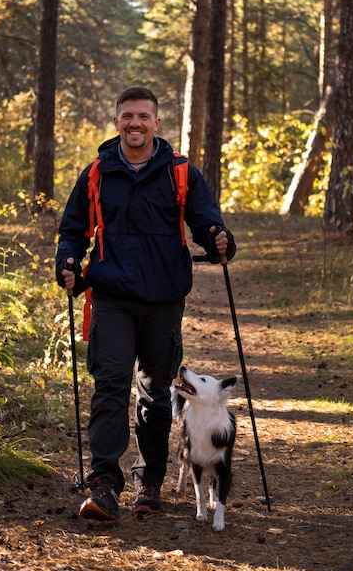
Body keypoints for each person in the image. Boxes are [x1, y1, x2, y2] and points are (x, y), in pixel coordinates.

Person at [55, 86, 236, 521]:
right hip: (111, 297)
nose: (134, 123)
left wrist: (219, 240)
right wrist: (66, 260)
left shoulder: (180, 173)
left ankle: (149, 479)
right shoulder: (96, 173)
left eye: (143, 117)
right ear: (116, 121)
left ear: (156, 123)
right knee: (111, 386)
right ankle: (104, 484)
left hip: (163, 300)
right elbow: (72, 230)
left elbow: (207, 223)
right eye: (127, 116)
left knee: (157, 396)